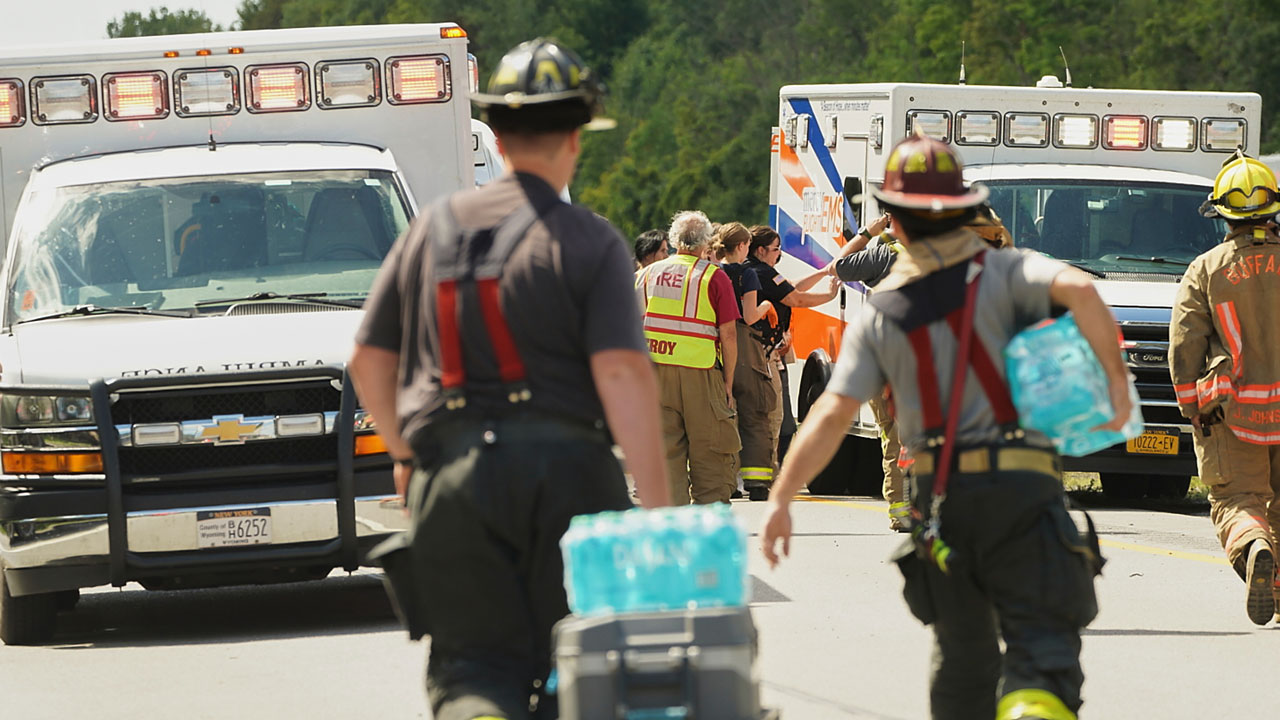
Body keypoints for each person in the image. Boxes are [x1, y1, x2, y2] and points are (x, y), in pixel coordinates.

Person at [348, 38, 668, 720]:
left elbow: (368, 361)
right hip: (572, 476)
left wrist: (406, 455)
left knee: (473, 667)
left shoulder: (430, 230)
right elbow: (621, 372)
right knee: (582, 664)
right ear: (576, 137)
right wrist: (658, 512)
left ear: (494, 135)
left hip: (454, 476)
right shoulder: (591, 241)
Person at [760, 133, 1129, 720]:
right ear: (963, 210)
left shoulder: (885, 310)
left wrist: (781, 499)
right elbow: (1083, 290)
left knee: (963, 657)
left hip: (943, 497)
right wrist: (1115, 390)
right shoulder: (1011, 270)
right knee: (1041, 647)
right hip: (1025, 487)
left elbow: (830, 413)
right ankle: (1034, 705)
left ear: (896, 223)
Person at [826, 207, 1012, 530]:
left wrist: (869, 233)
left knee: (893, 436)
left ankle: (902, 510)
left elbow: (837, 266)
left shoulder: (884, 254)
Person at [1171, 150, 1280, 626]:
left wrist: (1191, 407)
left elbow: (1185, 341)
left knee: (1237, 500)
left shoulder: (1206, 268)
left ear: (1223, 214)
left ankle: (1254, 546)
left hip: (1233, 413)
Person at [637, 210, 742, 504]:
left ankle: (671, 520)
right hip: (701, 374)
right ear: (706, 242)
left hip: (655, 375)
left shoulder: (645, 275)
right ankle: (707, 520)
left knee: (665, 454)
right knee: (711, 454)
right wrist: (728, 384)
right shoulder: (714, 277)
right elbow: (729, 335)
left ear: (673, 240)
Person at [745, 225, 840, 497]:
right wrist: (830, 296)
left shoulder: (754, 271)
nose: (779, 254)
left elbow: (790, 287)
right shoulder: (762, 272)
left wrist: (823, 272)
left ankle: (759, 476)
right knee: (773, 417)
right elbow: (795, 298)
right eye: (776, 249)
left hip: (759, 351)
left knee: (768, 416)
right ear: (760, 250)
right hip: (763, 352)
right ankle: (765, 478)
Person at [715, 222, 776, 501]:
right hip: (743, 345)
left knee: (723, 414)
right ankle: (757, 483)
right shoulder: (747, 273)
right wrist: (767, 306)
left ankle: (726, 481)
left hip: (716, 344)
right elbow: (750, 316)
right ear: (741, 246)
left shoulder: (713, 272)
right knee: (754, 413)